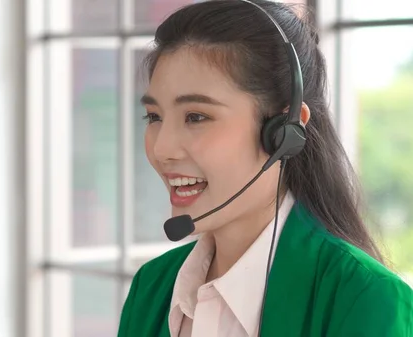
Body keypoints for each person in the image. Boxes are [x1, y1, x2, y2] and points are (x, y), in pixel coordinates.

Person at [117, 1, 413, 337]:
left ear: (284, 132)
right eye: (154, 117)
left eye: (196, 117)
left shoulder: (365, 300)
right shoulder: (153, 287)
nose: (161, 149)